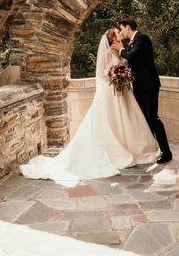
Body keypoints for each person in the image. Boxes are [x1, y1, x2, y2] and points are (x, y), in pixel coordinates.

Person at [20, 29, 159, 181]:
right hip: (110, 91)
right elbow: (104, 73)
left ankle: (130, 146)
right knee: (110, 120)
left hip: (120, 91)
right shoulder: (107, 53)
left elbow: (124, 66)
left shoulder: (119, 52)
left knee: (123, 119)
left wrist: (122, 74)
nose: (120, 35)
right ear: (112, 41)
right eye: (117, 34)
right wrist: (118, 75)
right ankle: (112, 150)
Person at [111, 17, 173, 164]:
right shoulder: (133, 42)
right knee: (144, 120)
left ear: (128, 27)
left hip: (149, 85)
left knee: (153, 118)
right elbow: (132, 62)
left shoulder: (142, 39)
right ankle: (150, 150)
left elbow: (133, 56)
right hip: (139, 86)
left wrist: (120, 50)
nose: (121, 31)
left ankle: (166, 152)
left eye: (121, 28)